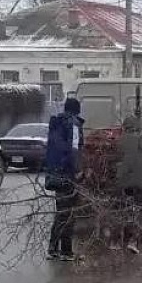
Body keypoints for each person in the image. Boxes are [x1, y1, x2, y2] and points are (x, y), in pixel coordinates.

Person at [44, 96, 85, 260]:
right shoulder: (73, 124)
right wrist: (78, 171)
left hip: (55, 174)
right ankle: (66, 252)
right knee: (69, 213)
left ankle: (53, 248)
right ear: (77, 110)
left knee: (60, 212)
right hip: (68, 174)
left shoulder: (56, 123)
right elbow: (74, 150)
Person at [113, 114, 142, 254]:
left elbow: (115, 157)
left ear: (125, 127)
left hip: (123, 181)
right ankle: (133, 241)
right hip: (141, 181)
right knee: (139, 210)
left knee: (122, 210)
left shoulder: (120, 140)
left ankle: (117, 241)